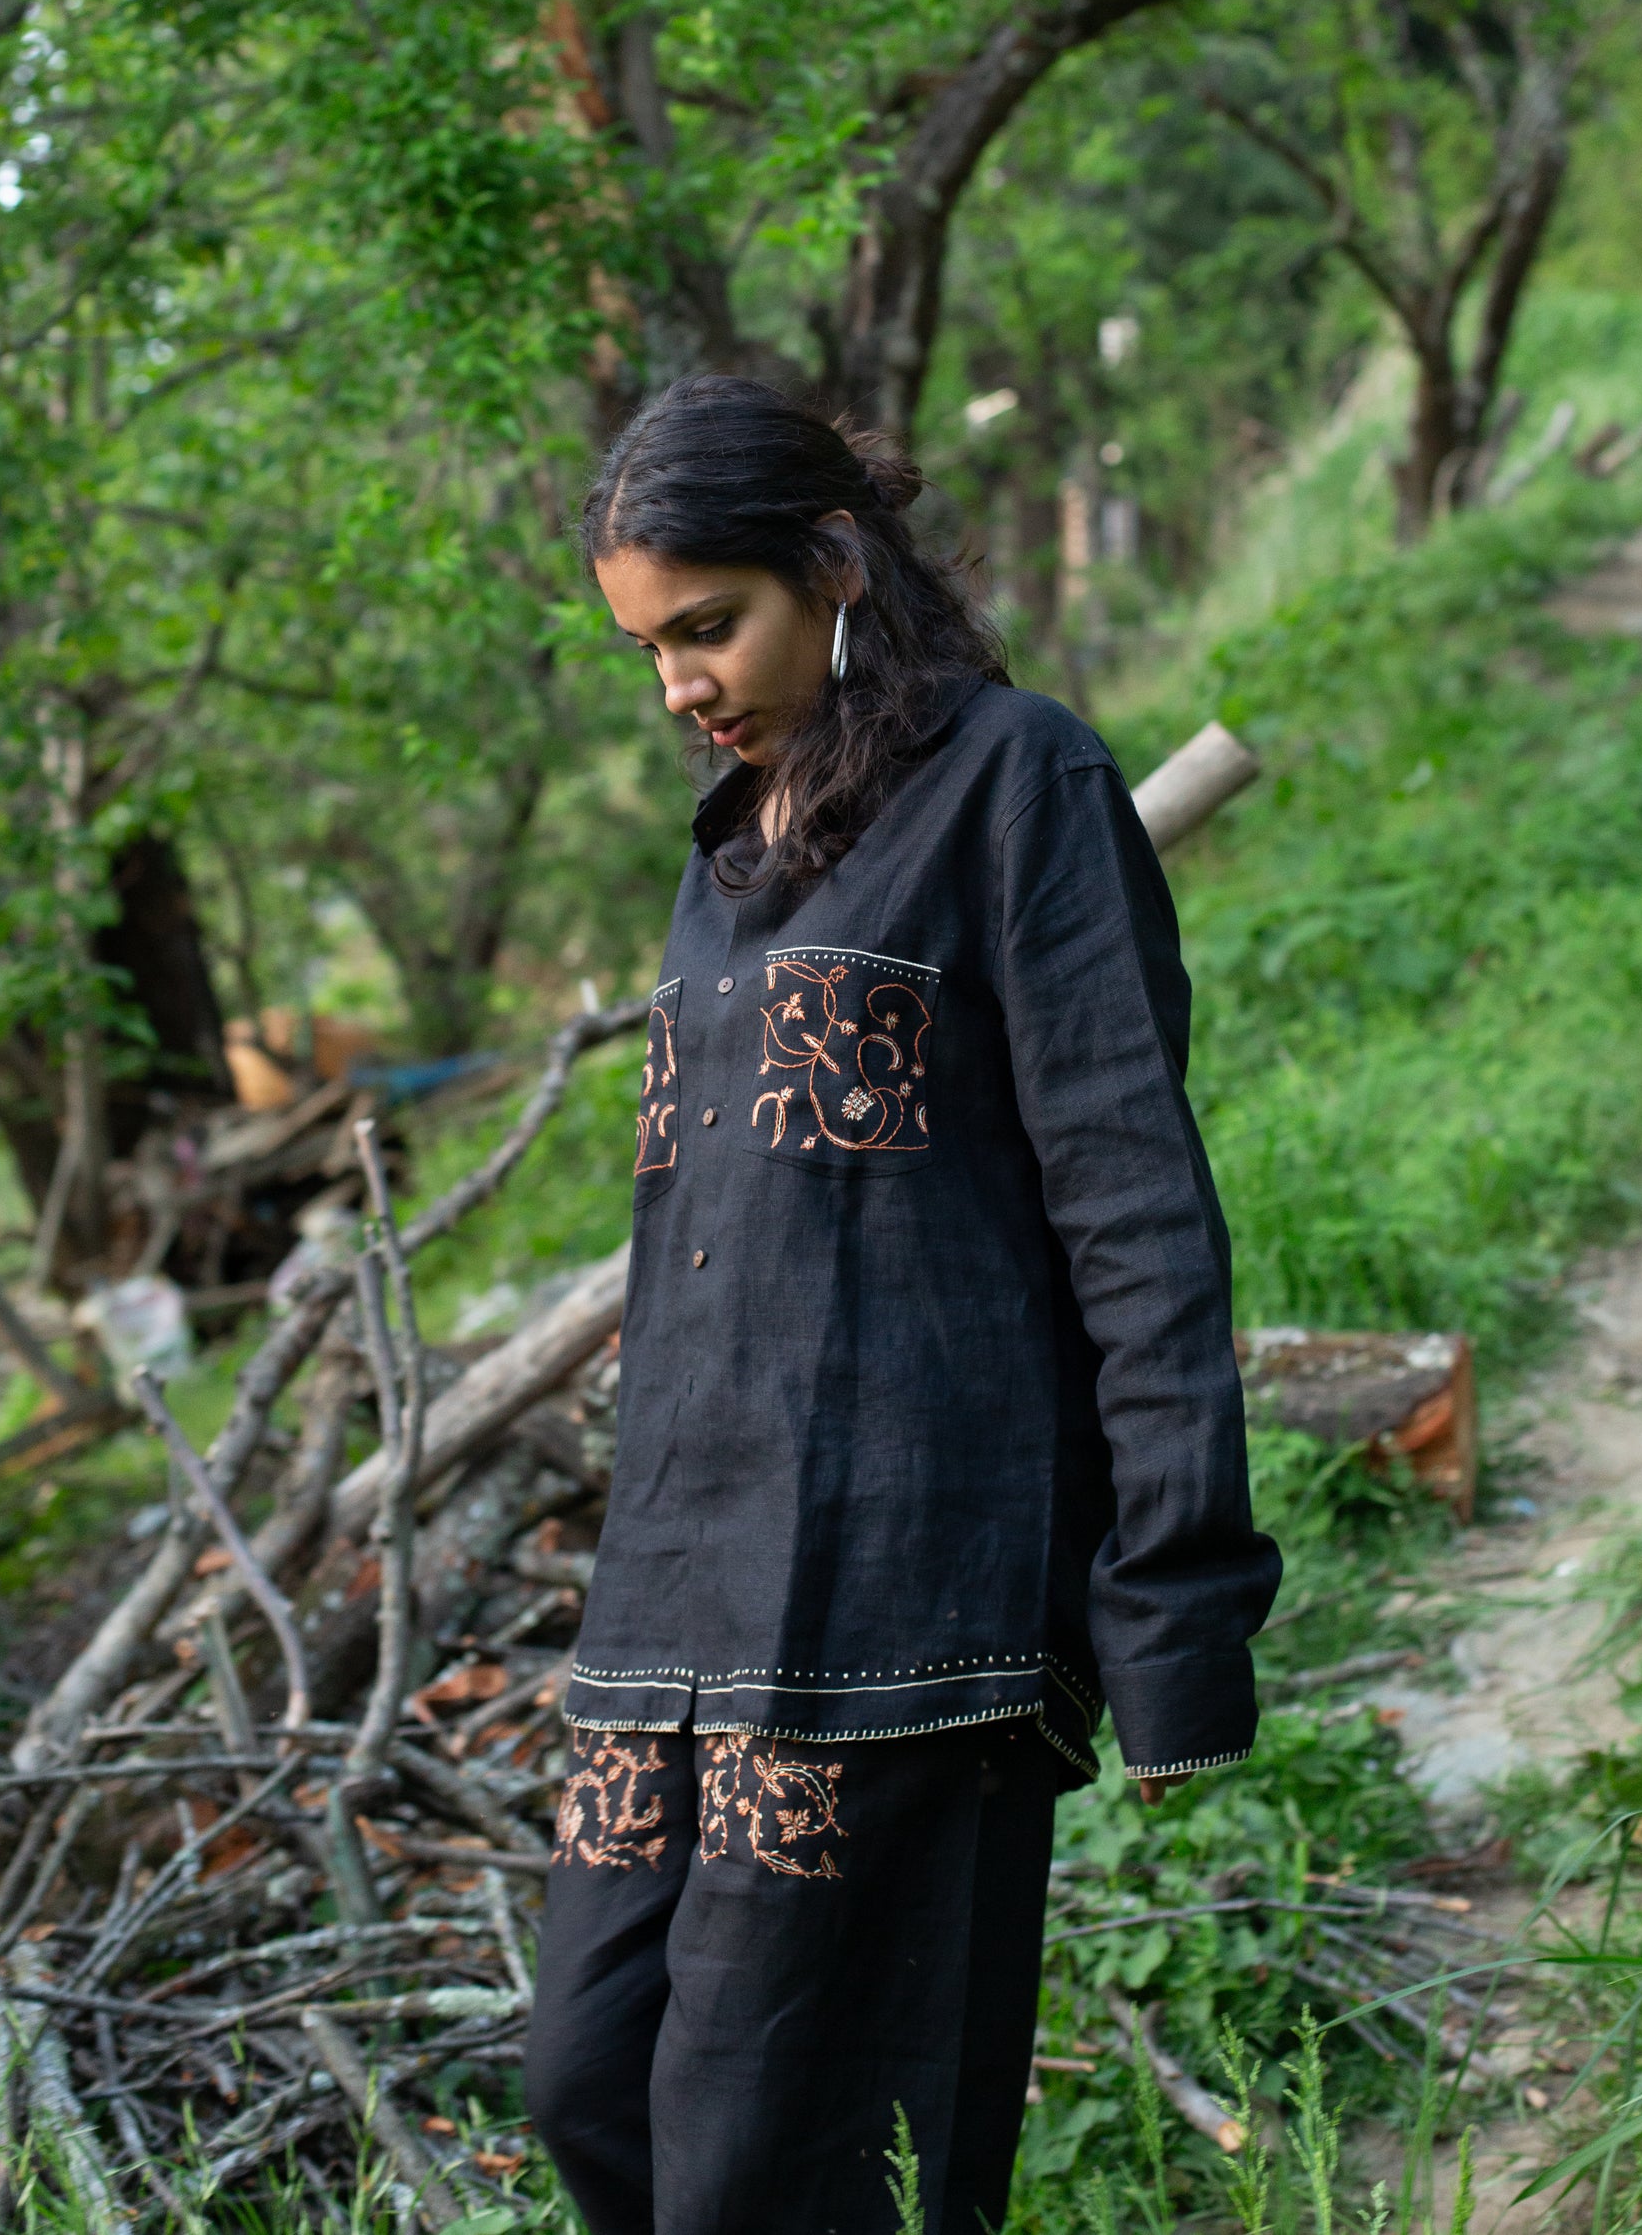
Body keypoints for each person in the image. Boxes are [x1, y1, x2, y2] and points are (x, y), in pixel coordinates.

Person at [523, 375, 1279, 2235]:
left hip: (900, 1573)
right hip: (678, 1582)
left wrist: (1170, 1603)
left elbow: (1133, 1208)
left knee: (769, 2147)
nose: (682, 684)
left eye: (711, 626)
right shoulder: (728, 857)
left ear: (835, 564)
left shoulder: (1020, 783)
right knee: (586, 2084)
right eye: (647, 648)